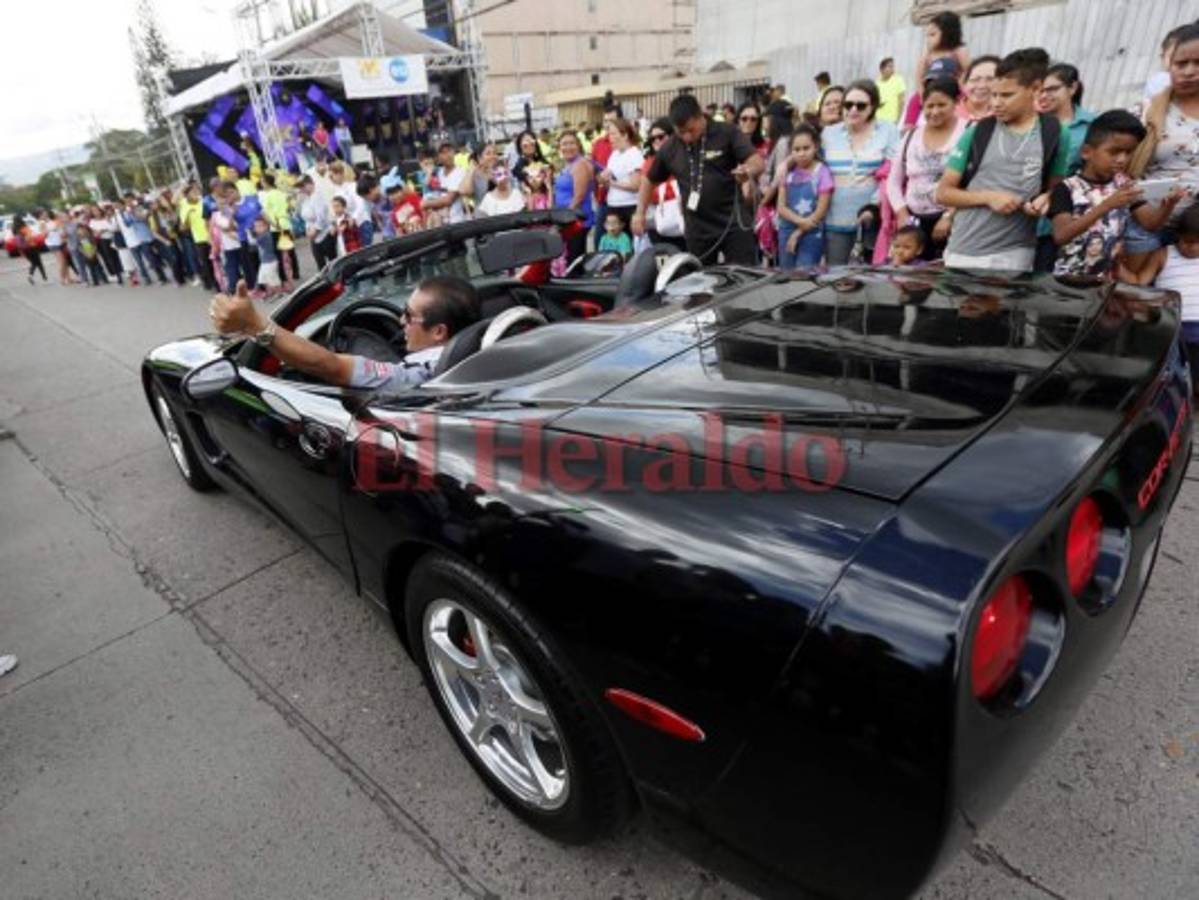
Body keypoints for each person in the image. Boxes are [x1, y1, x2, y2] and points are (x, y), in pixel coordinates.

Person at [208, 275, 481, 390]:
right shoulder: (487, 343)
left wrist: (256, 325)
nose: (400, 320)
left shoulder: (420, 375)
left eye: (409, 316)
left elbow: (331, 365)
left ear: (438, 332)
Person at [936, 48, 1070, 272]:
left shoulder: (1054, 133)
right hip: (961, 249)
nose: (996, 103)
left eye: (1006, 95)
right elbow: (943, 193)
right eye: (994, 95)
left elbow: (1055, 187)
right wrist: (989, 197)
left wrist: (1044, 200)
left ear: (1035, 89)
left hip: (1014, 252)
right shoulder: (978, 132)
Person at [1049, 110, 1185, 278]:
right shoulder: (1067, 188)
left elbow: (1150, 224)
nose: (1122, 159)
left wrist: (1168, 206)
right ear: (1086, 152)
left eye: (1128, 153)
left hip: (1107, 280)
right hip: (1069, 279)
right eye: (1114, 152)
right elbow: (1061, 235)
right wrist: (1107, 205)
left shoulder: (1124, 184)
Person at [634, 94, 764, 265]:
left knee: (744, 278)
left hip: (732, 222)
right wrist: (639, 213)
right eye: (681, 132)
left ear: (700, 116)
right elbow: (649, 179)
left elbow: (757, 162)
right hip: (698, 228)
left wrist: (747, 171)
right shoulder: (670, 147)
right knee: (701, 282)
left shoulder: (727, 132)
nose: (687, 137)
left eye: (691, 130)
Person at [1126, 22, 1199, 272]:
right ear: (1169, 66)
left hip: (1193, 238)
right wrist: (1139, 209)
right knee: (1133, 302)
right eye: (1181, 64)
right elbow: (1117, 167)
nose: (1188, 71)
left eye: (1198, 63)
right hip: (1144, 229)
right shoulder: (1145, 112)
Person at [887, 77, 967, 261]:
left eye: (941, 105)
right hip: (914, 221)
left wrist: (949, 215)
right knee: (913, 280)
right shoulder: (911, 135)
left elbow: (974, 180)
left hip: (953, 220)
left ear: (956, 102)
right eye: (929, 106)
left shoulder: (968, 131)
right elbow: (894, 181)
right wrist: (902, 213)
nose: (934, 111)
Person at [821, 80, 900, 265]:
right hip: (835, 219)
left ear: (872, 106)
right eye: (848, 105)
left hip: (872, 221)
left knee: (871, 283)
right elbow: (812, 164)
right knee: (836, 279)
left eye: (861, 105)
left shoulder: (887, 130)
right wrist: (787, 164)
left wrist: (873, 206)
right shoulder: (828, 134)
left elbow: (893, 173)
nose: (853, 110)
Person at [1137, 203, 1199, 388]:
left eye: (1198, 243)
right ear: (1177, 236)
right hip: (1172, 328)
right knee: (1171, 378)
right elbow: (1140, 281)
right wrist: (1118, 266)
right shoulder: (1163, 254)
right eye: (1187, 242)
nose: (1192, 248)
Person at [771, 124, 833, 269]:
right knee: (786, 273)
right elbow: (781, 207)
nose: (801, 153)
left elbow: (821, 210)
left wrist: (800, 230)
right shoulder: (787, 173)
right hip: (786, 230)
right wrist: (799, 221)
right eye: (797, 149)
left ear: (816, 147)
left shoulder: (822, 172)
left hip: (812, 231)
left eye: (806, 148)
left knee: (806, 273)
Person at [904, 11, 971, 131]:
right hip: (929, 89)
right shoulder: (927, 55)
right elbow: (918, 76)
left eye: (932, 35)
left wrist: (960, 83)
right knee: (914, 100)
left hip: (953, 89)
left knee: (966, 97)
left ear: (947, 33)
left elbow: (969, 70)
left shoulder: (957, 51)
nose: (928, 39)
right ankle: (908, 127)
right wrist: (922, 93)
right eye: (927, 35)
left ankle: (964, 122)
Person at [554, 131, 595, 262]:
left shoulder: (580, 165)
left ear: (578, 145)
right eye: (564, 144)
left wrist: (564, 217)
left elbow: (579, 196)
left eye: (572, 143)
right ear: (559, 147)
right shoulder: (568, 165)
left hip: (577, 221)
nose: (568, 147)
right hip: (569, 219)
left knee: (575, 260)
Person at [597, 118, 644, 228]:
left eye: (613, 134)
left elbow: (636, 185)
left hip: (629, 206)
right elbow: (608, 173)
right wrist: (601, 178)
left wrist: (612, 183)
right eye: (609, 134)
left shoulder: (634, 154)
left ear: (625, 135)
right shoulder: (615, 154)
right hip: (612, 205)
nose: (610, 138)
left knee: (628, 243)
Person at [422, 142, 469, 225]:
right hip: (441, 224)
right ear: (438, 157)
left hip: (456, 222)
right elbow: (427, 188)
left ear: (454, 152)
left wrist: (426, 204)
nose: (447, 155)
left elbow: (449, 199)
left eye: (449, 151)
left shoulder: (460, 172)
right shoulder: (437, 173)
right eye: (443, 152)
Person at [960, 56, 1000, 124]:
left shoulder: (1006, 116)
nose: (981, 86)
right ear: (964, 83)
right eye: (975, 79)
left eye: (990, 79)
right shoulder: (949, 111)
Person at [252, 215, 282, 298]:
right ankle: (271, 292)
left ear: (266, 226)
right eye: (256, 226)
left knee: (272, 278)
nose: (257, 228)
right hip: (265, 261)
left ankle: (279, 293)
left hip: (270, 261)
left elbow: (254, 242)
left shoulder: (265, 236)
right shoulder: (263, 235)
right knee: (263, 278)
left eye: (260, 226)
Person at [876, 57, 907, 124]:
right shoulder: (877, 83)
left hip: (892, 119)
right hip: (878, 119)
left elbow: (901, 100)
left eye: (893, 67)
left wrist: (898, 119)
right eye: (890, 67)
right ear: (882, 69)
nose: (892, 69)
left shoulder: (898, 80)